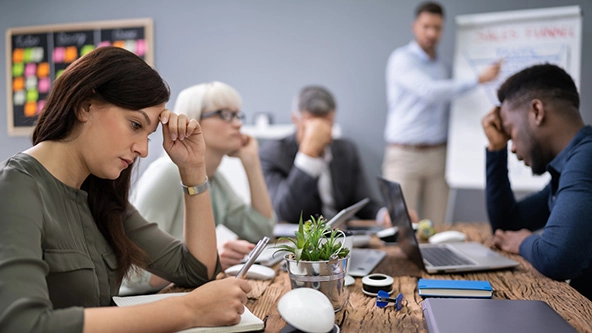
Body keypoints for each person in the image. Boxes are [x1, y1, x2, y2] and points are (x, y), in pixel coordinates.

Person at [0, 46, 252, 332]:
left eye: (148, 135)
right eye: (135, 125)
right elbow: (20, 324)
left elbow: (198, 271)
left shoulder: (101, 197)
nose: (143, 150)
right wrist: (188, 310)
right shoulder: (14, 188)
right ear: (86, 106)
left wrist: (193, 170)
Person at [121, 81, 276, 295]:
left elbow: (260, 230)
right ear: (193, 120)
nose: (238, 124)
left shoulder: (215, 180)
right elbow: (133, 272)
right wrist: (208, 259)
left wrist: (252, 163)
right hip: (142, 305)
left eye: (237, 115)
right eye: (224, 114)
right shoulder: (166, 174)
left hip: (179, 294)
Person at [382, 1, 501, 225]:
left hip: (439, 155)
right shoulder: (401, 59)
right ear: (414, 26)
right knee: (399, 227)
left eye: (437, 28)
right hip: (404, 155)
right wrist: (478, 79)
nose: (431, 33)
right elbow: (429, 91)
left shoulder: (445, 66)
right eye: (426, 26)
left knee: (435, 226)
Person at [481, 63, 592, 301]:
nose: (512, 147)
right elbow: (506, 225)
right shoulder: (566, 168)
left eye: (510, 133)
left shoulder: (588, 157)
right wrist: (496, 149)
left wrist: (524, 241)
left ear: (537, 111)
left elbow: (558, 259)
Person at [259, 85, 388, 224]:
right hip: (300, 240)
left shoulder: (346, 150)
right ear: (295, 119)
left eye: (327, 124)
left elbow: (363, 203)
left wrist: (384, 215)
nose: (321, 131)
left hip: (341, 236)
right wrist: (308, 155)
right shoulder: (273, 154)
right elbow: (286, 213)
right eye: (313, 125)